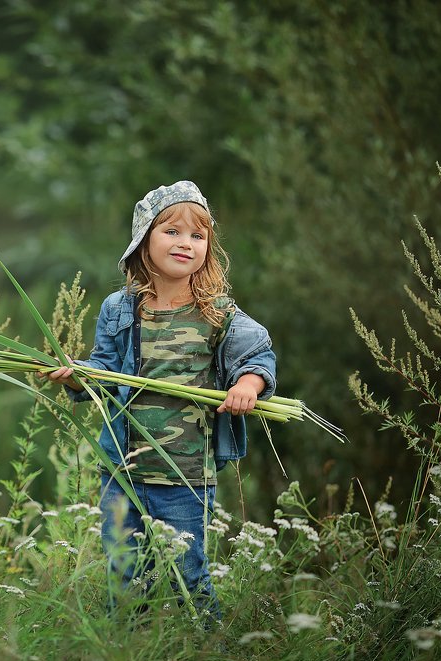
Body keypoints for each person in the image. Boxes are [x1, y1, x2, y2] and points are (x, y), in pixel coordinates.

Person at [42, 181, 276, 621]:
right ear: (144, 239)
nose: (186, 243)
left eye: (197, 236)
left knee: (188, 572)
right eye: (172, 232)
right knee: (125, 576)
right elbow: (104, 374)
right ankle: (131, 647)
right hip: (122, 470)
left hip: (184, 473)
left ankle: (209, 646)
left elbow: (257, 354)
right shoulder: (120, 308)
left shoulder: (217, 312)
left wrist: (248, 384)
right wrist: (77, 378)